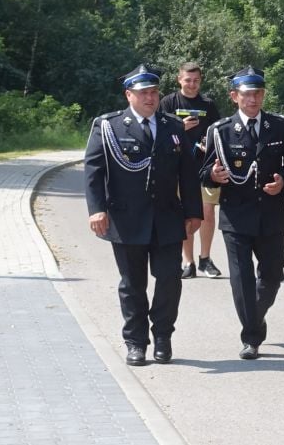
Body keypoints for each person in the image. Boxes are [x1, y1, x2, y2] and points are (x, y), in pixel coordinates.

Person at [84, 64, 203, 365]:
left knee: (169, 279)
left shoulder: (173, 127)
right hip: (127, 220)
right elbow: (94, 171)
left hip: (166, 218)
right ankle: (136, 342)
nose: (150, 98)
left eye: (153, 92)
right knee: (132, 284)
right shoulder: (108, 126)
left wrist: (194, 212)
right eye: (143, 93)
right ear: (129, 95)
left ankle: (163, 335)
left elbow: (187, 174)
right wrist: (97, 209)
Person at [205, 68, 284, 359]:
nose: (253, 99)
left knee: (273, 274)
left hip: (270, 214)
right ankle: (251, 337)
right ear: (235, 97)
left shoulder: (279, 126)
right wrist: (213, 176)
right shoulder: (220, 130)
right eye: (247, 94)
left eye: (257, 93)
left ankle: (254, 315)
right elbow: (203, 170)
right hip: (236, 216)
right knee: (241, 278)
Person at [162, 62, 224, 279]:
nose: (192, 84)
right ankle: (188, 262)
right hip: (177, 168)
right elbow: (158, 133)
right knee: (185, 214)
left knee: (207, 212)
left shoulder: (208, 104)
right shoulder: (168, 102)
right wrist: (180, 128)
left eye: (196, 80)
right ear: (179, 79)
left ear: (201, 80)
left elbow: (218, 132)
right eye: (187, 80)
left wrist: (209, 144)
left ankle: (205, 259)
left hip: (204, 166)